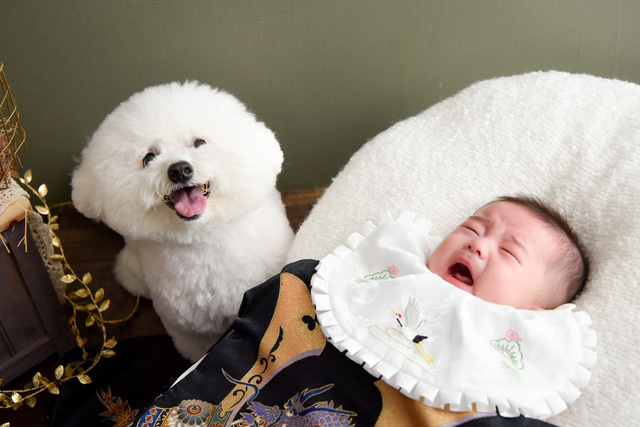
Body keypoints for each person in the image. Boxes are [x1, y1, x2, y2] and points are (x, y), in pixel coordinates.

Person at [427, 195, 589, 310]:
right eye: (472, 229)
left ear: (533, 312)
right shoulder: (407, 259)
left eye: (508, 251)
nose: (478, 244)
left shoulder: (507, 341)